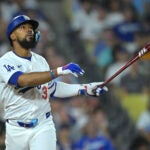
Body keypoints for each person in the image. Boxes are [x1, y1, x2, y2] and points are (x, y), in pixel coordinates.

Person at [0, 14, 108, 150]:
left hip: (43, 126)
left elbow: (52, 88)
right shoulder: (5, 62)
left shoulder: (40, 61)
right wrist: (59, 71)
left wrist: (85, 88)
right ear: (12, 36)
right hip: (16, 129)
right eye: (23, 27)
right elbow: (22, 80)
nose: (29, 30)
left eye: (31, 28)